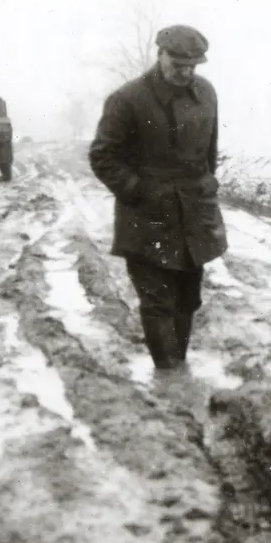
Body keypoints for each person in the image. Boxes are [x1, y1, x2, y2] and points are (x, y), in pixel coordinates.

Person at [88, 25, 226, 373]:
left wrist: (206, 183)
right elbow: (103, 156)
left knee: (188, 299)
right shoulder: (128, 99)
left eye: (193, 64)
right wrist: (139, 190)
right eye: (178, 63)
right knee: (157, 301)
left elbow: (209, 152)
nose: (185, 71)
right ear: (160, 54)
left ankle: (177, 362)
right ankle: (170, 377)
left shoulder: (206, 93)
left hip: (194, 215)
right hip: (148, 217)